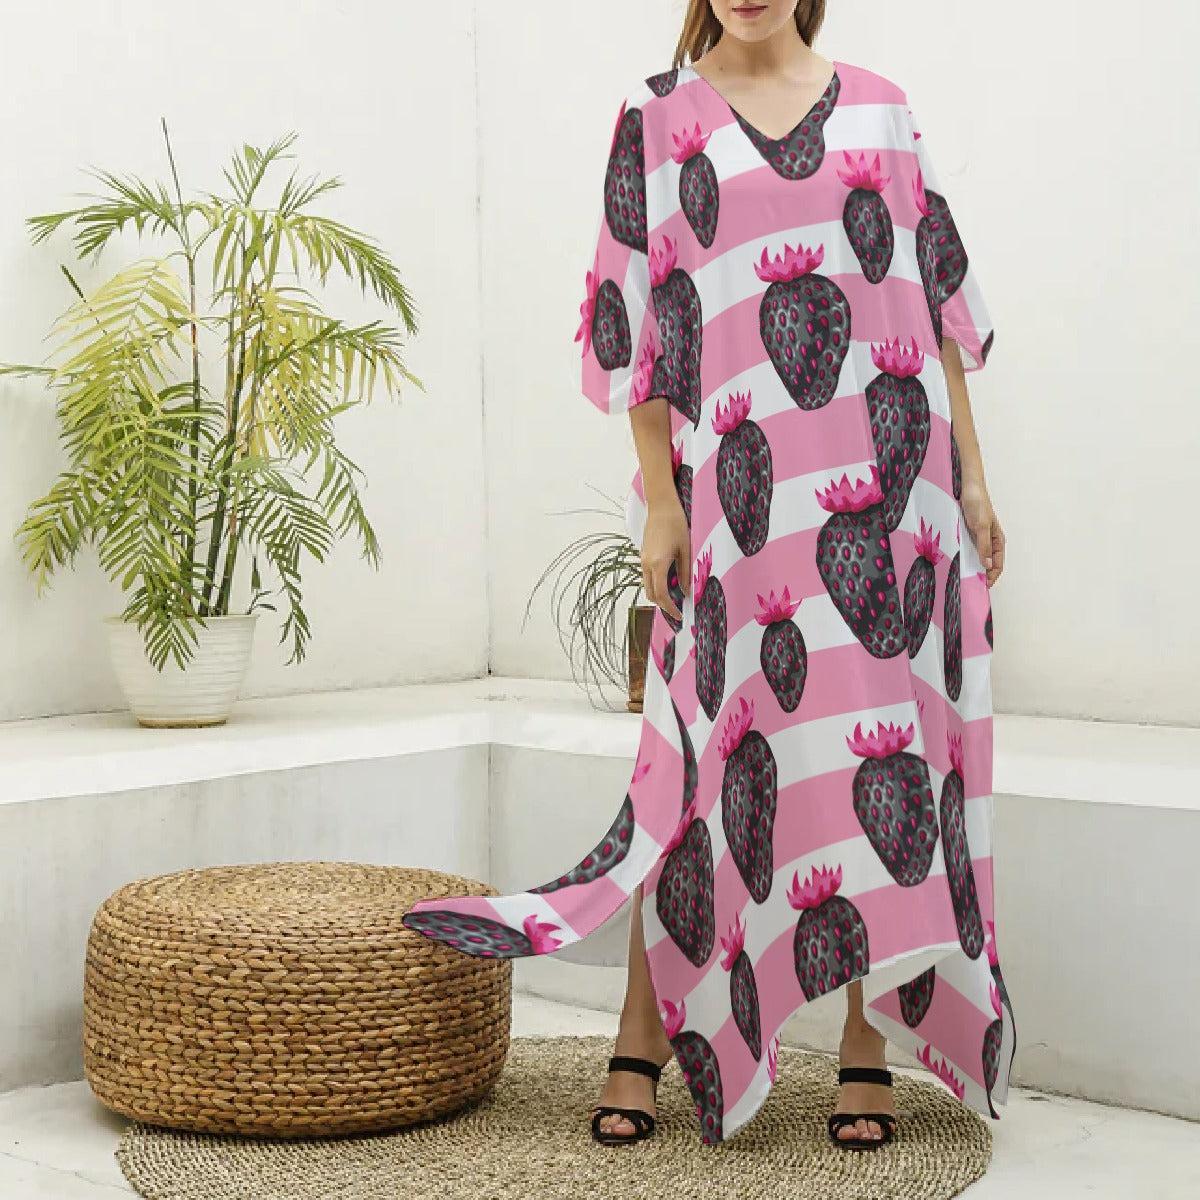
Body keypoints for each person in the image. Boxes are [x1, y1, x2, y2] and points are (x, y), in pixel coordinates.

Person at [403, 0, 1016, 1151]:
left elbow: (936, 302)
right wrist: (661, 499)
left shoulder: (882, 111)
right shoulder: (656, 120)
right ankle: (643, 1033)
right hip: (737, 497)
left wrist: (972, 478)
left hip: (894, 498)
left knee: (878, 756)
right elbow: (631, 319)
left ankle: (866, 1045)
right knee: (693, 769)